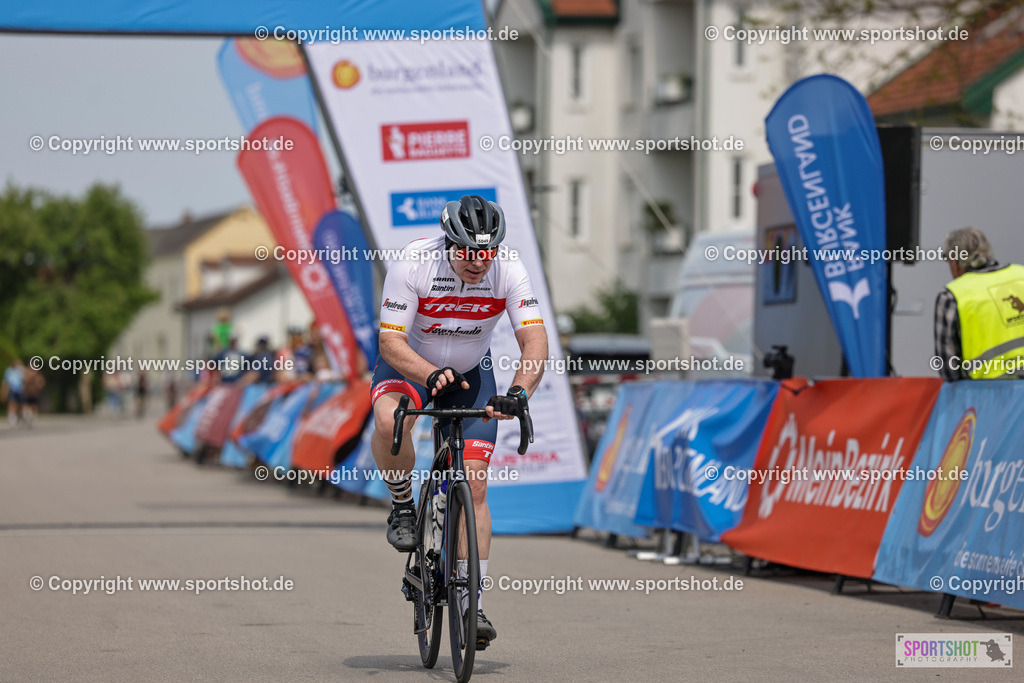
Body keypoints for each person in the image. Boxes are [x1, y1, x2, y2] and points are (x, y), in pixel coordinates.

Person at [370, 194, 548, 649]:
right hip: (410, 363)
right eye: (468, 251)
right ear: (449, 243)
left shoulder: (509, 268)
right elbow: (390, 342)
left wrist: (517, 394)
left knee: (476, 482)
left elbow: (534, 342)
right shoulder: (416, 261)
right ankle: (404, 505)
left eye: (485, 252)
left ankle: (472, 602)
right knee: (390, 420)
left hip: (471, 373)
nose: (477, 262)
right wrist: (428, 374)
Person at [935, 227, 1024, 380]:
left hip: (988, 397)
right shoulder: (1021, 275)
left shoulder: (951, 296)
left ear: (954, 261)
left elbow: (949, 370)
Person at [2, 359, 26, 427]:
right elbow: (6, 381)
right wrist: (4, 391)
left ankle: (20, 417)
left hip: (20, 390)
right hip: (12, 389)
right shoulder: (9, 371)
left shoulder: (21, 370)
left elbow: (25, 379)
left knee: (21, 404)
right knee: (12, 403)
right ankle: (12, 418)